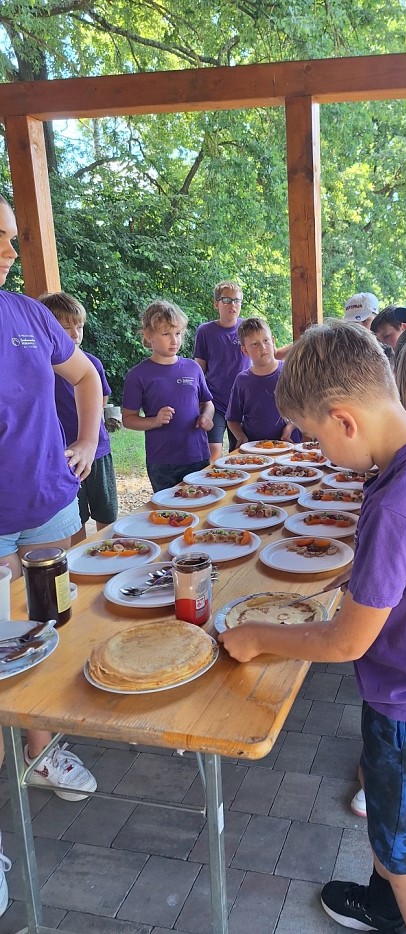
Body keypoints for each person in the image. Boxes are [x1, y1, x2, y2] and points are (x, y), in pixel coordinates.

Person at [220, 322, 406, 934]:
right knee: (399, 819)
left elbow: (348, 641)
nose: (321, 453)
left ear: (345, 420)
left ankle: (401, 902)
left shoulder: (395, 503)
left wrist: (258, 636)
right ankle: (382, 903)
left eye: (317, 437)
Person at [0, 195, 101, 865]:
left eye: (10, 237)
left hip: (48, 509)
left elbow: (85, 375)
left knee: (48, 633)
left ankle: (40, 753)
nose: (9, 249)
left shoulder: (29, 312)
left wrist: (87, 442)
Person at [40, 291, 118, 543]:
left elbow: (102, 399)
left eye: (79, 327)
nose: (74, 335)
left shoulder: (91, 363)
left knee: (106, 510)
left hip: (98, 449)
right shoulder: (42, 368)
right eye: (65, 328)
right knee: (76, 517)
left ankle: (111, 551)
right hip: (64, 455)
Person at [122, 300, 215, 492]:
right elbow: (128, 419)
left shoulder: (193, 367)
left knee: (202, 506)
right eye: (166, 334)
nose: (174, 340)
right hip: (162, 462)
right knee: (168, 514)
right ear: (149, 336)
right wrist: (154, 421)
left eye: (178, 333)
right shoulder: (137, 375)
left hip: (197, 455)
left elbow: (208, 402)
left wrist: (207, 416)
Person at [194, 280, 248, 461]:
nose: (233, 305)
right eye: (227, 300)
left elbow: (269, 355)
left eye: (237, 300)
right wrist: (198, 399)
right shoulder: (205, 331)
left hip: (243, 403)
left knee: (241, 452)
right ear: (216, 303)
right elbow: (199, 369)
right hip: (215, 402)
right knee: (213, 451)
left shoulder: (247, 329)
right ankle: (213, 486)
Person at [225, 316, 299, 446]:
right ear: (245, 350)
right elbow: (232, 419)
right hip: (255, 450)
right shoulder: (242, 380)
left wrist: (291, 427)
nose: (262, 347)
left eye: (266, 340)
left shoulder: (290, 372)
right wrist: (241, 436)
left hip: (289, 447)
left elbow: (304, 408)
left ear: (273, 341)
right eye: (255, 344)